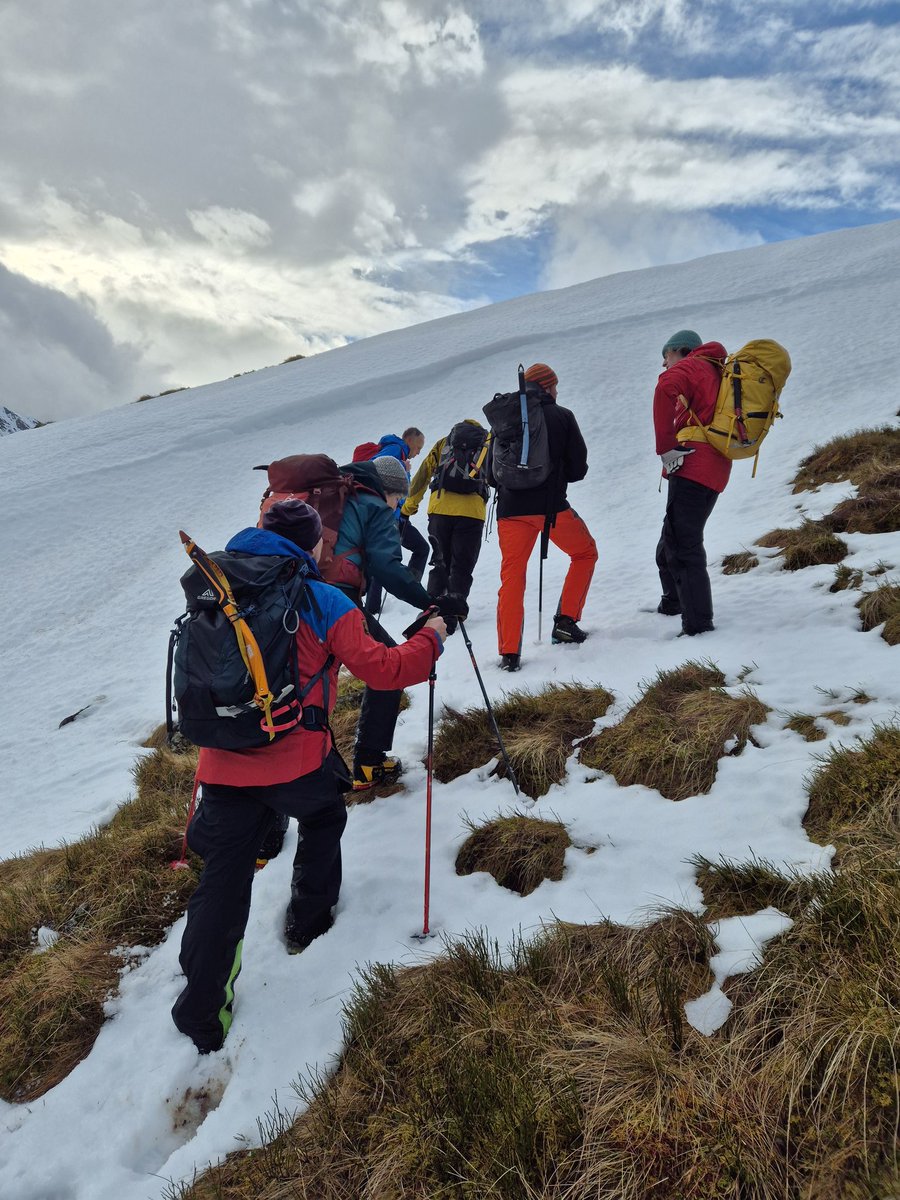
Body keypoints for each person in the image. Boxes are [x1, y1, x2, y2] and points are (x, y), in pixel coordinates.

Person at [171, 499, 446, 1055]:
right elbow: (389, 670)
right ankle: (308, 921)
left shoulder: (214, 585)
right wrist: (434, 633)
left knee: (224, 873)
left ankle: (199, 1009)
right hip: (295, 757)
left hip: (222, 758)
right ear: (312, 546)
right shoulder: (321, 598)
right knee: (324, 814)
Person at [335, 454, 459, 788]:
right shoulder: (374, 506)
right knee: (389, 665)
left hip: (304, 595)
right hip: (335, 600)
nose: (397, 504)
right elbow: (387, 568)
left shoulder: (345, 496)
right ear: (388, 490)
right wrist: (430, 601)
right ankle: (368, 764)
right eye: (398, 497)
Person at [491, 363, 597, 671]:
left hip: (510, 513)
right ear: (547, 387)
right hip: (550, 509)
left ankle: (509, 654)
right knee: (585, 553)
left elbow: (491, 475)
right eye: (555, 385)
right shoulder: (562, 416)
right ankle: (565, 622)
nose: (557, 390)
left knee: (512, 578)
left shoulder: (504, 420)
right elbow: (578, 468)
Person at [653, 330, 729, 636]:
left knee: (684, 547)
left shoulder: (694, 366)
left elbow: (663, 389)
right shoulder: (715, 369)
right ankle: (673, 601)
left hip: (694, 466)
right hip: (714, 466)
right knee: (670, 541)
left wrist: (665, 447)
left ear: (680, 350)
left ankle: (698, 625)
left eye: (666, 356)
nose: (663, 363)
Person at [402, 419, 491, 634]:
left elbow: (423, 475)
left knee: (440, 560)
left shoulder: (445, 443)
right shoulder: (488, 445)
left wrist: (407, 508)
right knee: (462, 564)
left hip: (440, 510)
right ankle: (453, 612)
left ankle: (431, 609)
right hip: (472, 513)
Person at [363, 428, 429, 617]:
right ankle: (406, 588)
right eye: (418, 447)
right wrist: (405, 471)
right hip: (389, 518)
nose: (418, 452)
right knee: (419, 549)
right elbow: (378, 471)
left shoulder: (399, 454)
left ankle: (374, 606)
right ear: (408, 440)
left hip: (394, 517)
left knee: (383, 560)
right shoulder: (394, 450)